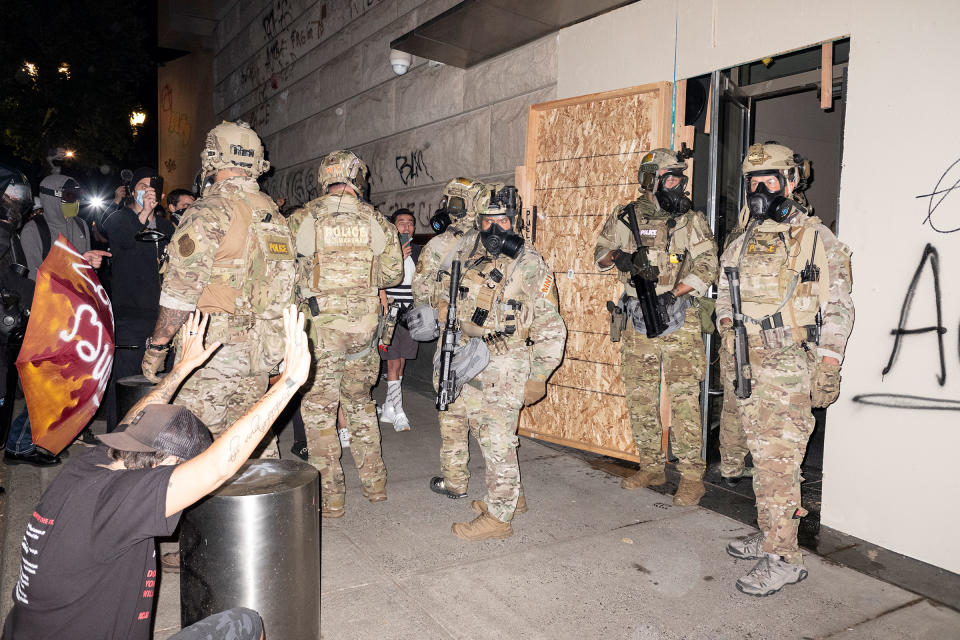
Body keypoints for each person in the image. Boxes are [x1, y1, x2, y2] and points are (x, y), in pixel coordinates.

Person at [1, 307, 308, 639]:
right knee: (245, 624)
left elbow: (138, 416)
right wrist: (287, 383)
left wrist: (182, 368)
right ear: (168, 464)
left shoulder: (92, 465)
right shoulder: (124, 502)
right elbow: (219, 467)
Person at [717, 142, 854, 596]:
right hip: (747, 362)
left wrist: (829, 362)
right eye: (753, 182)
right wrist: (727, 329)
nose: (759, 190)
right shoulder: (743, 238)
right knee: (764, 459)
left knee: (781, 464)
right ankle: (770, 535)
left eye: (769, 180)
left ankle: (785, 558)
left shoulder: (816, 239)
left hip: (789, 367)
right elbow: (723, 291)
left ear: (791, 182)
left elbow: (838, 307)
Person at [141, 120, 296, 451]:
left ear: (212, 157)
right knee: (253, 439)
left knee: (195, 445)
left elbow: (181, 291)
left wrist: (157, 347)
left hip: (212, 354)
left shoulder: (209, 210)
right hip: (261, 352)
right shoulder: (273, 213)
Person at [438, 186, 566, 540]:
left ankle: (499, 519)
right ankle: (512, 496)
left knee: (497, 439)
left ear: (515, 224)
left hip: (509, 364)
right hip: (477, 359)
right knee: (486, 432)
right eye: (487, 221)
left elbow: (552, 326)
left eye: (503, 221)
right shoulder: (476, 257)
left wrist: (539, 375)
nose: (495, 230)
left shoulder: (530, 265)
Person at [593, 148, 719, 506]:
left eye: (680, 178)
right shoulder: (625, 215)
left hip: (679, 315)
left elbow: (709, 263)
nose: (678, 184)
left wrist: (675, 293)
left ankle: (692, 477)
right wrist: (623, 257)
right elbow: (600, 256)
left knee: (683, 398)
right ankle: (651, 465)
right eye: (670, 178)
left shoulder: (689, 219)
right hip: (636, 315)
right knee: (641, 395)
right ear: (651, 179)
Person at [287, 149, 402, 518]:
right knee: (360, 405)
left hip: (321, 333)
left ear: (325, 177)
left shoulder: (304, 218)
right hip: (364, 332)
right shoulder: (376, 221)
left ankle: (332, 500)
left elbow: (284, 273)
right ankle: (376, 486)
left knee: (320, 413)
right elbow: (393, 275)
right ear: (358, 178)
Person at [411, 177, 493, 499]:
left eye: (453, 202)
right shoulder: (492, 242)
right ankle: (490, 484)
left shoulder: (443, 244)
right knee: (478, 414)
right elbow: (421, 289)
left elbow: (421, 289)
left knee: (457, 414)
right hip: (476, 342)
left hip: (466, 340)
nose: (448, 207)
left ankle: (458, 480)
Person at [16, 174, 110, 446]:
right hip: (49, 314)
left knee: (78, 374)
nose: (74, 203)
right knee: (49, 378)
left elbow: (81, 268)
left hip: (79, 314)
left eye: (76, 196)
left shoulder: (81, 224)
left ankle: (76, 428)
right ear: (52, 198)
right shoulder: (35, 230)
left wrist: (90, 263)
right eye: (68, 197)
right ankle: (42, 435)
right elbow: (32, 276)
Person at [100, 167, 175, 432]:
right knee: (127, 379)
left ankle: (153, 438)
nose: (148, 192)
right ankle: (117, 436)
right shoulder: (120, 220)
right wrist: (142, 216)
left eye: (153, 187)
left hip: (163, 315)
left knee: (159, 380)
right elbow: (124, 245)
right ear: (133, 191)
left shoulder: (166, 227)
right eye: (142, 186)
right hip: (130, 313)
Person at [0, 166, 55, 468]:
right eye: (10, 195)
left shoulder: (9, 230)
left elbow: (14, 274)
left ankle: (17, 445)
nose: (16, 202)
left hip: (13, 326)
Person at [378, 208, 422, 431]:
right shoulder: (385, 250)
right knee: (393, 362)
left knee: (402, 360)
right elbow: (377, 280)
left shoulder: (418, 252)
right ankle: (400, 413)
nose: (406, 226)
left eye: (410, 222)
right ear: (393, 227)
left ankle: (388, 407)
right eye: (401, 222)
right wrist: (396, 258)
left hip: (410, 315)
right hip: (391, 314)